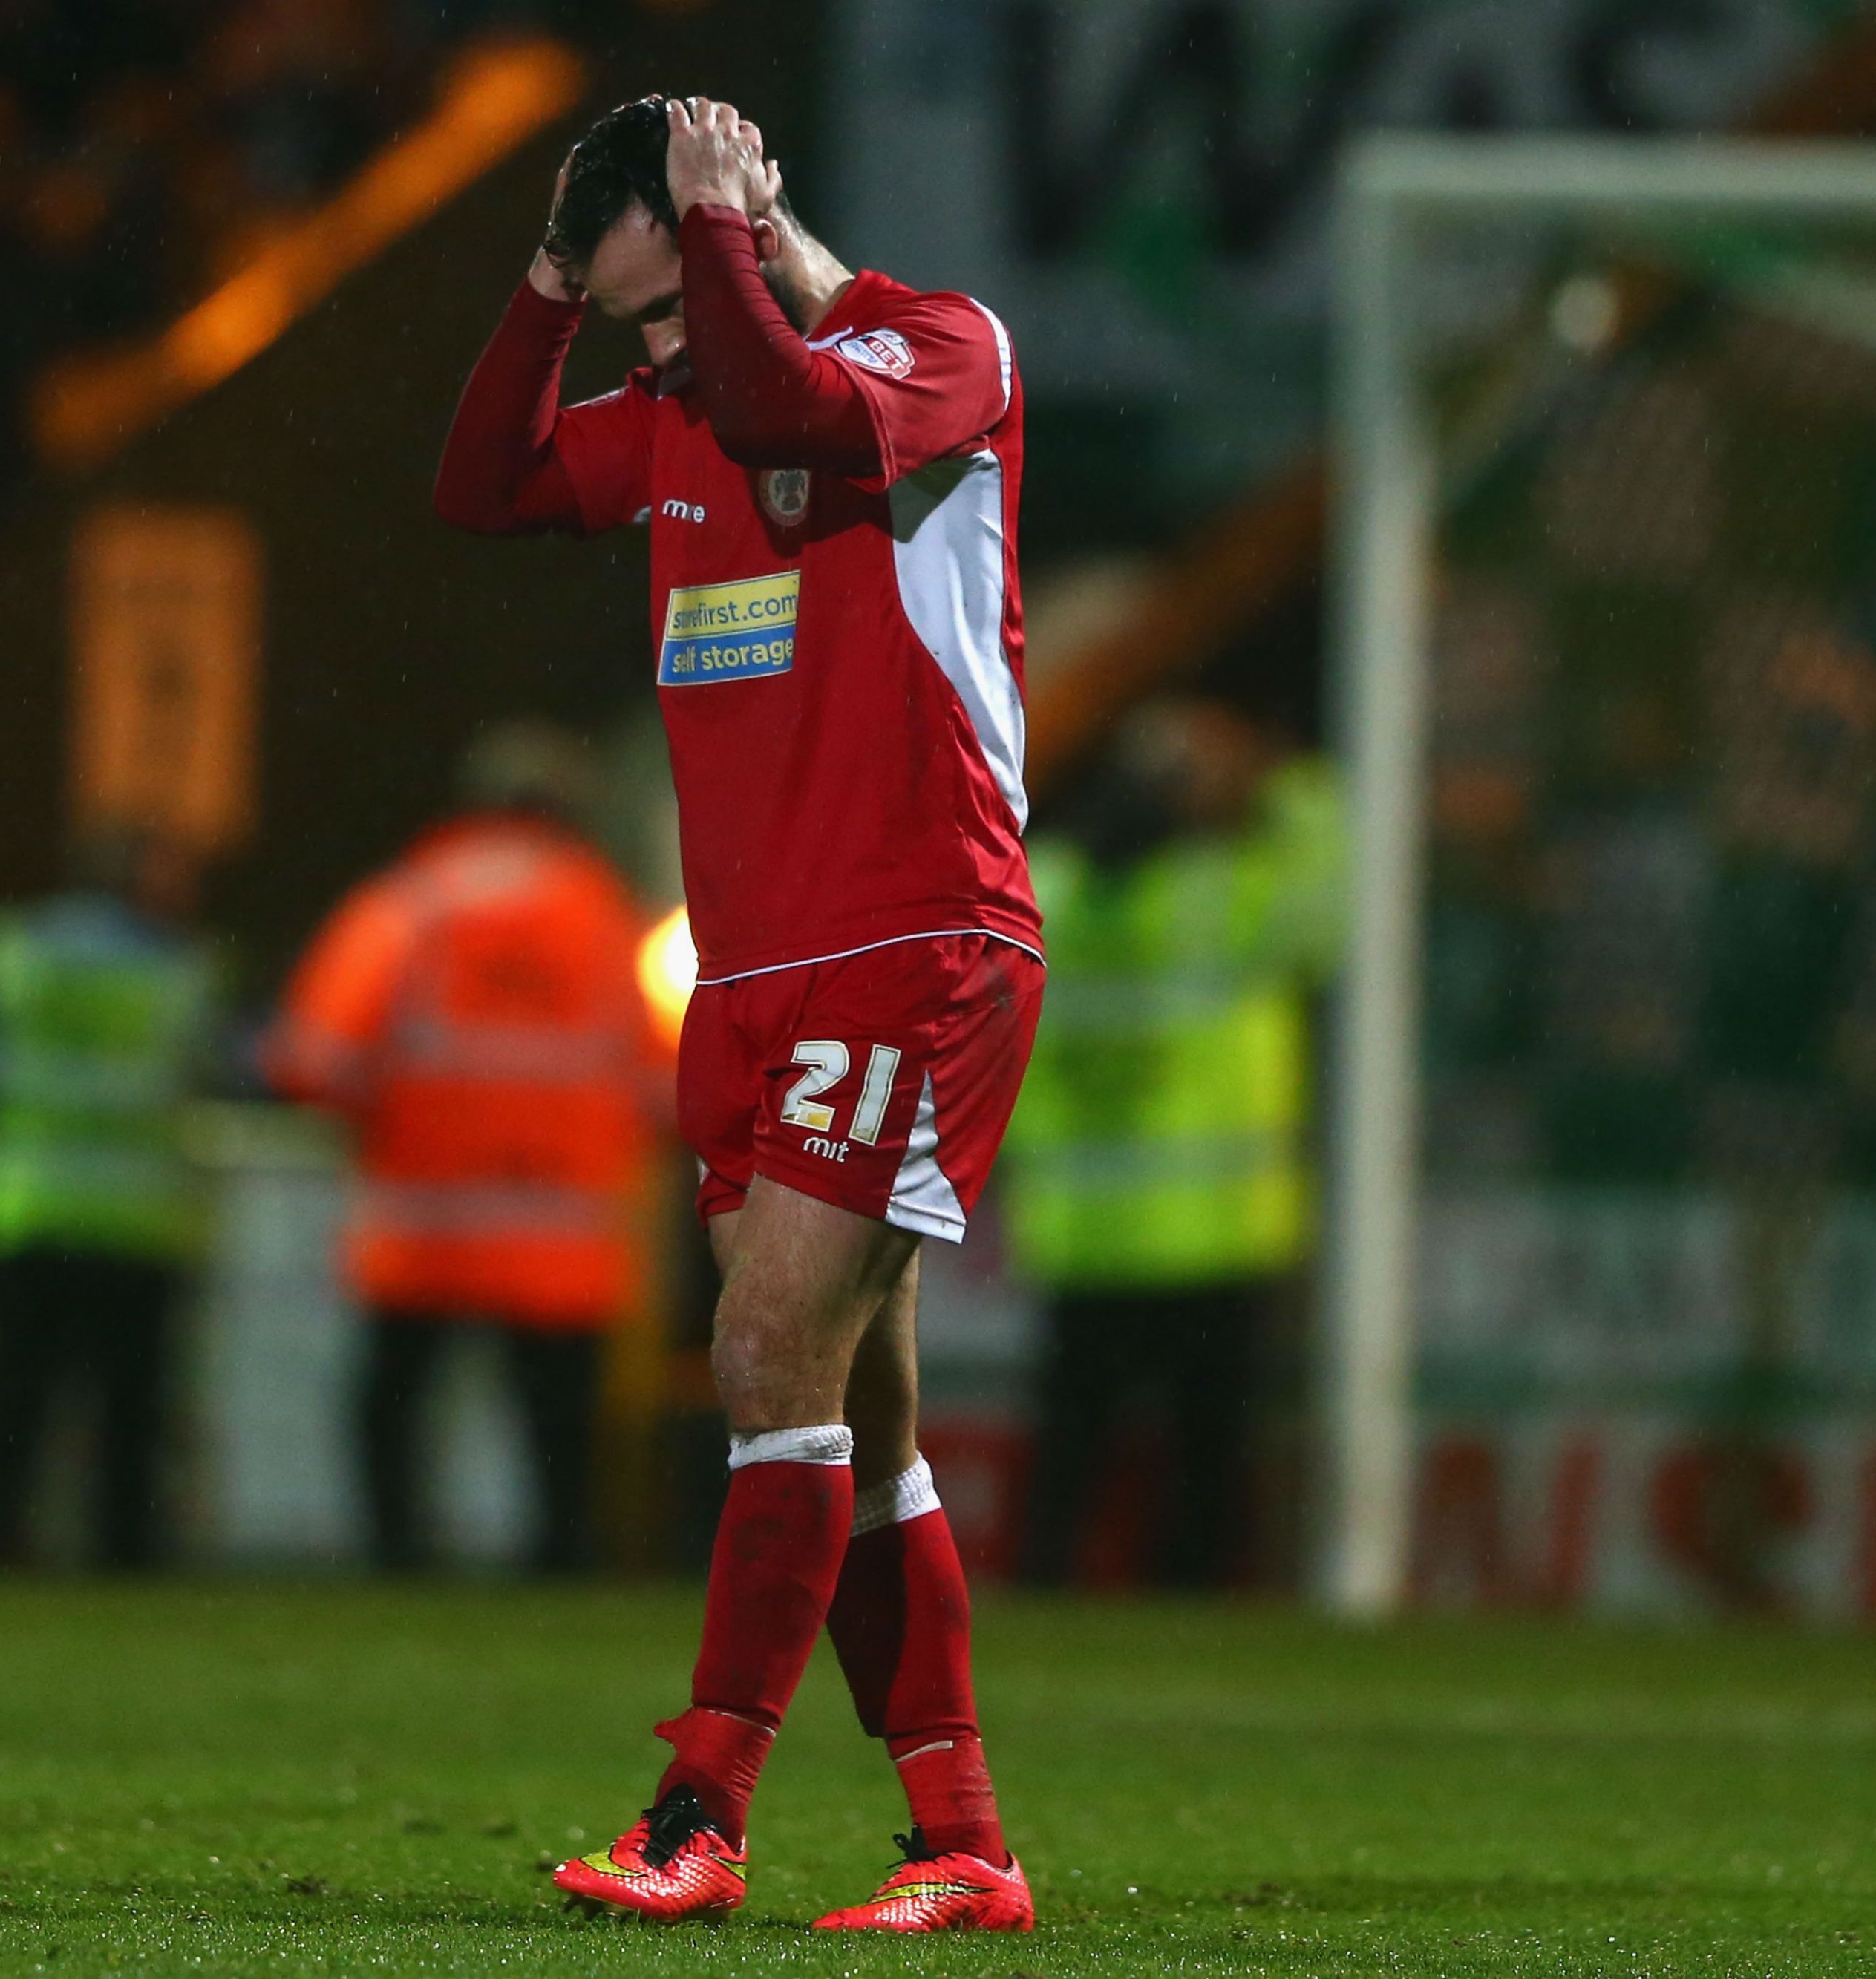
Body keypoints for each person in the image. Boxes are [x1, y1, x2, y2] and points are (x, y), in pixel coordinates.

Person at [434, 94, 1041, 1929]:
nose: (662, 356)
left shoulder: (937, 349)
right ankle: (962, 1841)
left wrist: (729, 238)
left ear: (742, 226)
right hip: (753, 964)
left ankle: (698, 1808)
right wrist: (554, 281)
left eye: (670, 309)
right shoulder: (693, 397)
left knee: (766, 1358)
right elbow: (485, 481)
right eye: (635, 327)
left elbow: (791, 403)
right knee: (861, 1413)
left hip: (911, 931)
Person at [264, 724, 666, 1576]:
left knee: (395, 1406)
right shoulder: (602, 916)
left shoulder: (409, 906)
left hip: (425, 1227)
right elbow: (664, 1085)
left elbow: (311, 1060)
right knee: (555, 1426)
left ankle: (397, 1562)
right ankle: (559, 1569)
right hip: (561, 1235)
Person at [1007, 701, 1340, 1589]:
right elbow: (1336, 908)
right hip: (1212, 1233)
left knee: (1071, 1451)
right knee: (1207, 1464)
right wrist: (1288, 783)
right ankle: (1193, 1602)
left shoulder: (1046, 892)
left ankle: (1038, 1604)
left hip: (1081, 1229)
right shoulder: (1220, 899)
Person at [0, 831, 220, 1569]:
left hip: (26, 1210)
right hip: (132, 1220)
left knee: (12, 1405)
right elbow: (210, 1066)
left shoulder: (17, 952)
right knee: (128, 1415)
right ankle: (123, 1565)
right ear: (137, 878)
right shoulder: (178, 969)